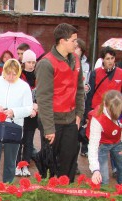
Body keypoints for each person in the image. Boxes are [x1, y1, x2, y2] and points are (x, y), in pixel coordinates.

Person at [35, 23, 85, 183]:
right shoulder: (46, 63)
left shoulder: (75, 59)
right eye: (73, 40)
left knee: (69, 161)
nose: (76, 44)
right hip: (53, 121)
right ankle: (47, 194)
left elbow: (80, 89)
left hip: (70, 119)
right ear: (62, 41)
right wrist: (49, 128)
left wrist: (79, 115)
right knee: (49, 164)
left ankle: (66, 192)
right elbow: (43, 98)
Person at [0, 58, 33, 186]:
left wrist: (14, 112)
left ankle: (8, 187)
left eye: (14, 74)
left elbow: (28, 108)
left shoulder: (24, 86)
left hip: (14, 127)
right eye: (8, 73)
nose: (11, 77)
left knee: (10, 160)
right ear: (4, 71)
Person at [85, 46, 122, 178]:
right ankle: (100, 169)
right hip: (99, 113)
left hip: (115, 113)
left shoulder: (120, 73)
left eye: (112, 58)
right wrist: (87, 114)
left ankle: (116, 168)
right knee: (99, 142)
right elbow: (89, 94)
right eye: (107, 59)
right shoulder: (95, 73)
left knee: (116, 137)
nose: (110, 61)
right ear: (102, 60)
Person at [86, 90, 122, 185]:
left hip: (118, 141)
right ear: (105, 105)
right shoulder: (97, 119)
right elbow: (93, 146)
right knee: (103, 179)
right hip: (102, 145)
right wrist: (95, 170)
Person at [16, 49, 38, 177]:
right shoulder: (19, 76)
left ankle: (25, 164)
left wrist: (35, 108)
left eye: (33, 62)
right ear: (24, 62)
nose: (31, 64)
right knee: (19, 140)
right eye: (29, 62)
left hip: (33, 114)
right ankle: (18, 164)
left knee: (29, 141)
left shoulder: (38, 75)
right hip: (22, 113)